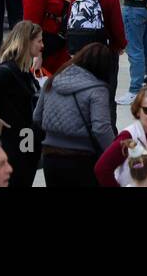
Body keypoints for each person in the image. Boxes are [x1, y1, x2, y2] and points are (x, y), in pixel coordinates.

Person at [33, 43, 118, 187]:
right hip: (82, 159)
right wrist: (114, 155)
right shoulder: (98, 90)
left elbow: (37, 116)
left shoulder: (52, 81)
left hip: (50, 157)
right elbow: (101, 129)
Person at [0, 20, 43, 187]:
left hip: (27, 140)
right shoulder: (8, 70)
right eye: (39, 40)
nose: (42, 45)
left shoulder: (24, 70)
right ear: (27, 41)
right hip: (14, 142)